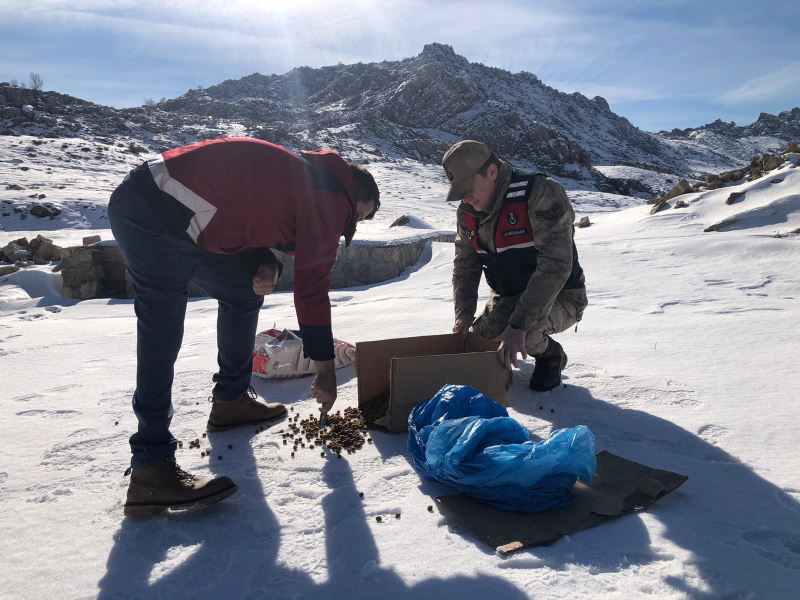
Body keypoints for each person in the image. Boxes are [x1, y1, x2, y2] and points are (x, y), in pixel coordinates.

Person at [108, 137, 380, 516]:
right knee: (162, 326)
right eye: (357, 219)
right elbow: (312, 289)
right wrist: (326, 370)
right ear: (357, 199)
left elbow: (238, 208)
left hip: (172, 210)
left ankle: (230, 401)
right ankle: (151, 467)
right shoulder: (334, 198)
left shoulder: (311, 179)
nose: (346, 229)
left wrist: (264, 263)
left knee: (243, 290)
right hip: (156, 210)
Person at [443, 140, 586, 391]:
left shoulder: (540, 194)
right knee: (480, 340)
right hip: (508, 295)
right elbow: (465, 267)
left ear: (492, 172)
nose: (465, 198)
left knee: (526, 335)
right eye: (459, 191)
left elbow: (555, 267)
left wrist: (518, 326)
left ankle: (551, 355)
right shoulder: (467, 212)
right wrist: (463, 316)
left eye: (468, 188)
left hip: (561, 295)